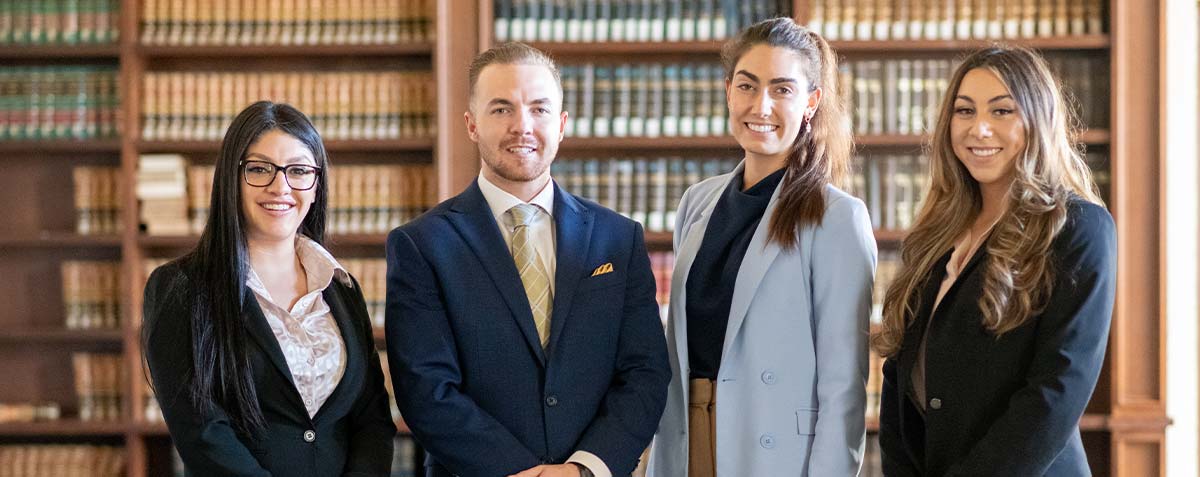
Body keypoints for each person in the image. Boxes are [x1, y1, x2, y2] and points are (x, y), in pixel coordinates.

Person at [384, 42, 670, 477]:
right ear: (471, 125)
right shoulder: (422, 246)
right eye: (501, 109)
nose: (523, 126)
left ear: (562, 124)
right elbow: (425, 389)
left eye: (539, 109)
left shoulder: (618, 238)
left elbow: (645, 374)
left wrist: (583, 468)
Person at [647, 17, 876, 477]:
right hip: (687, 438)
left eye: (782, 89)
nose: (761, 105)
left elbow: (843, 387)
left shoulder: (835, 217)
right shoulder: (698, 202)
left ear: (811, 101)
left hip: (776, 454)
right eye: (747, 86)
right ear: (728, 90)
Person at [873, 46, 1117, 476]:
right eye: (964, 111)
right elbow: (900, 372)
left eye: (1002, 111)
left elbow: (1057, 390)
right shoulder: (938, 232)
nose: (978, 129)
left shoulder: (1079, 228)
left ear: (1037, 121)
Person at [142, 101, 396, 476]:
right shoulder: (181, 290)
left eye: (298, 171)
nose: (281, 187)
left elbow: (371, 416)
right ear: (232, 178)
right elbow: (204, 435)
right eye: (260, 169)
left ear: (316, 185)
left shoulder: (340, 287)